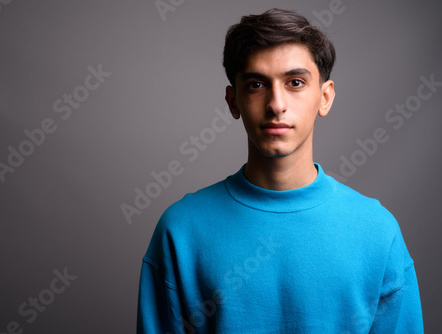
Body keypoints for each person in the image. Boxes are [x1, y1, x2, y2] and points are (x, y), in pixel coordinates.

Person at [137, 8, 424, 333]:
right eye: (257, 84)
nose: (276, 104)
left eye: (296, 82)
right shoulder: (182, 230)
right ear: (233, 102)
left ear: (325, 97)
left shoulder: (377, 232)